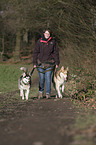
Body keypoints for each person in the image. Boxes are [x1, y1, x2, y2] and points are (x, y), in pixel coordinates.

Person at [33, 29, 60, 99]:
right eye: (46, 33)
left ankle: (48, 93)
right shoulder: (39, 42)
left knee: (48, 78)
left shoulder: (53, 42)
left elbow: (56, 53)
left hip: (50, 63)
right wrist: (34, 62)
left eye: (48, 34)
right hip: (40, 63)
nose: (47, 35)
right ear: (43, 34)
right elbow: (35, 52)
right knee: (41, 79)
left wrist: (57, 62)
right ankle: (41, 92)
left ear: (50, 35)